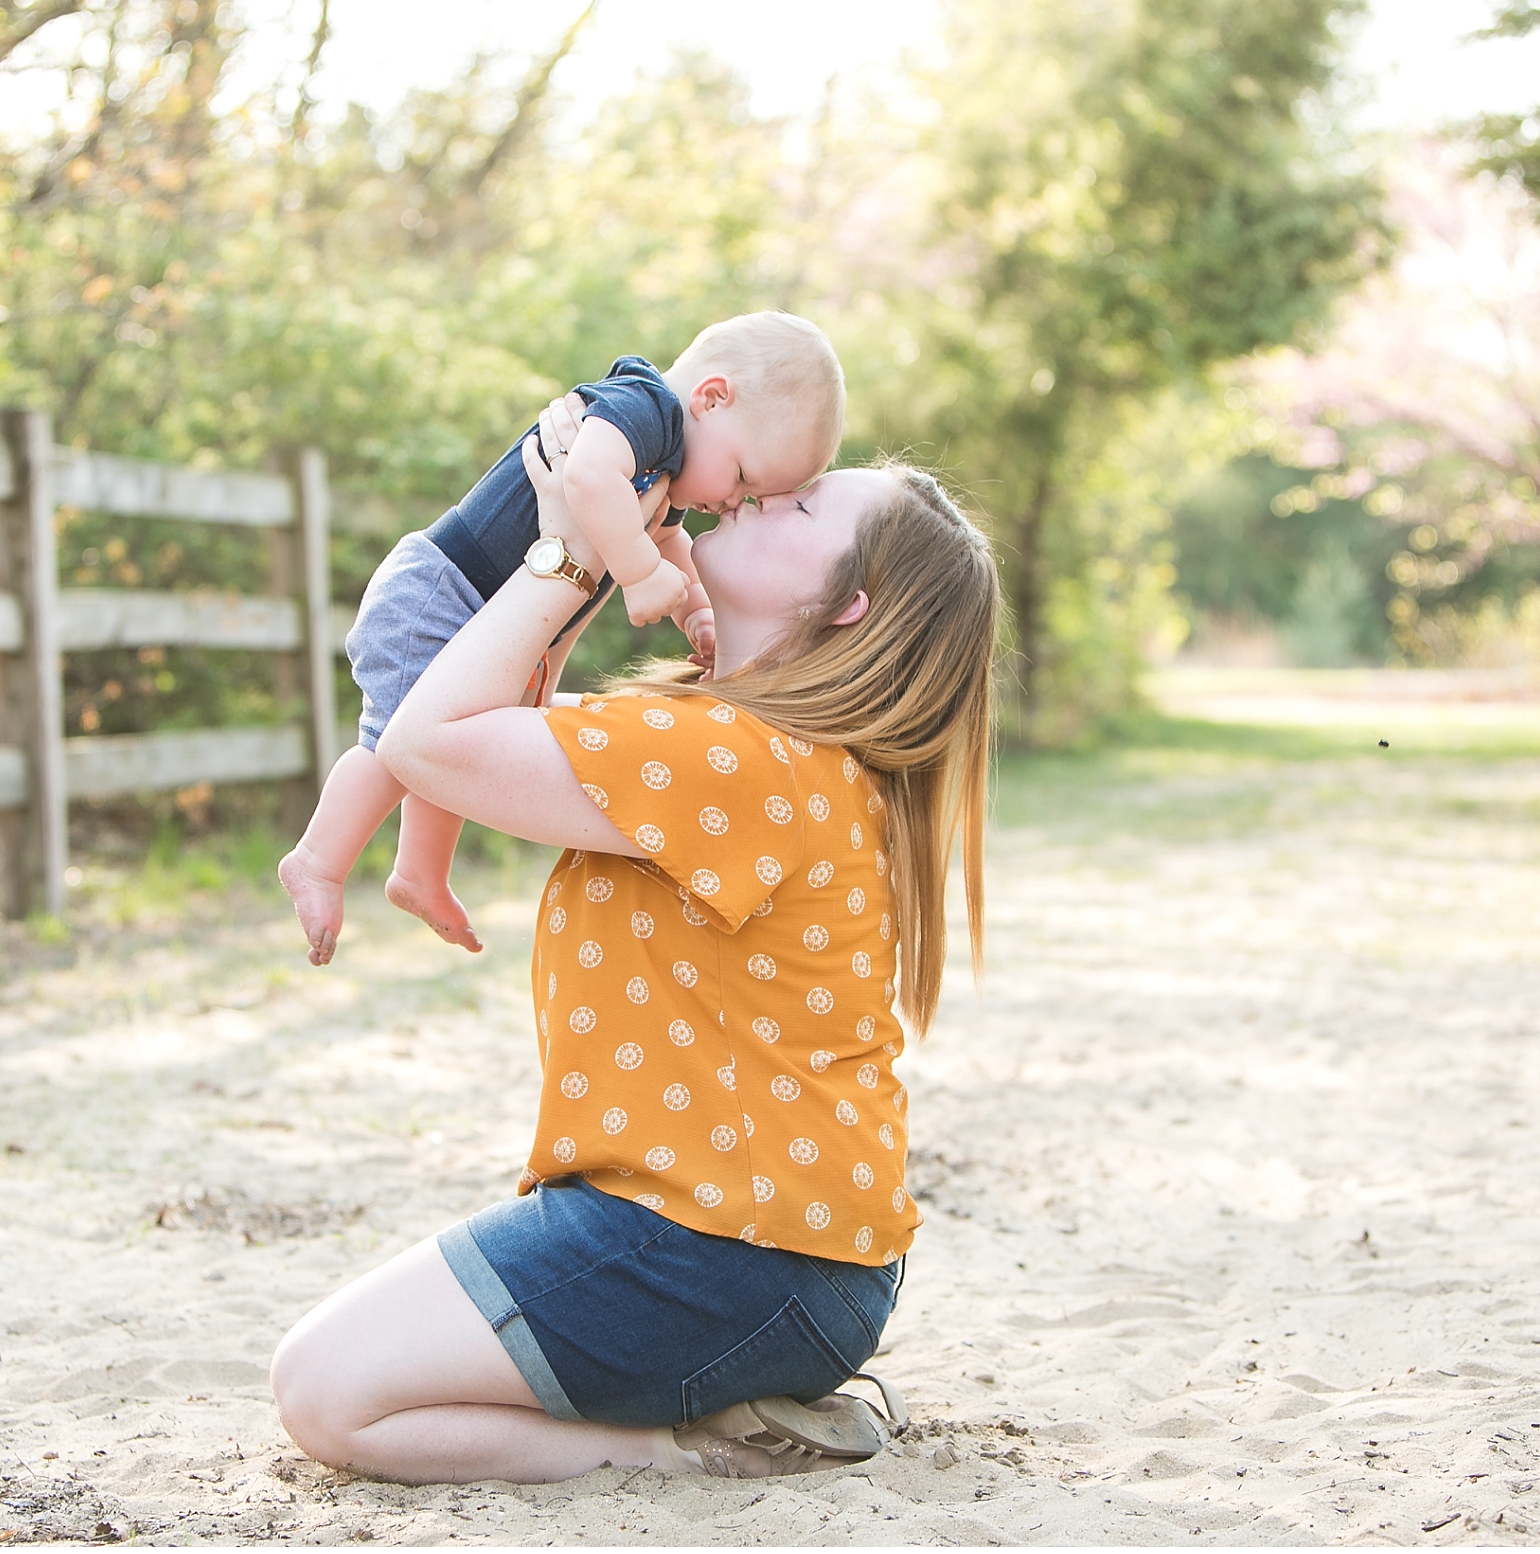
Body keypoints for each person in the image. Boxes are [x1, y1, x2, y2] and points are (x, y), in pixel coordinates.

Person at [267, 397, 1001, 1486]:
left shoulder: (734, 756)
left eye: (802, 503)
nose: (762, 490)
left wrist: (571, 544)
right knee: (344, 1377)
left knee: (326, 1393)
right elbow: (481, 714)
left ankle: (682, 1448)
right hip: (780, 1257)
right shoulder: (742, 744)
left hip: (730, 1253)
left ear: (847, 604)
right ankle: (722, 1402)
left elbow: (425, 737)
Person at [276, 312, 847, 967]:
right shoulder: (643, 407)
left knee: (456, 738)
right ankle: (318, 860)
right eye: (744, 477)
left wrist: (695, 613)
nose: (734, 500)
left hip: (476, 603)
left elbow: (666, 537)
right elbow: (587, 479)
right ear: (712, 398)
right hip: (441, 590)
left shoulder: (672, 458)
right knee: (393, 742)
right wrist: (636, 573)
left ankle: (419, 873)